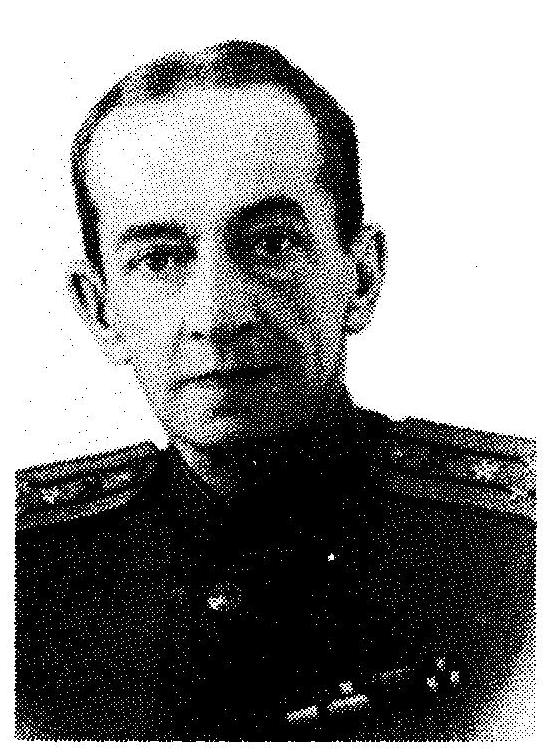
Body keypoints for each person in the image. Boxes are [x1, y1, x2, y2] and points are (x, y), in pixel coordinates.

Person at [15, 41, 535, 741]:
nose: (218, 310)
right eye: (160, 258)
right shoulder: (25, 571)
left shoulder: (513, 543)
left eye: (269, 243)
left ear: (364, 272)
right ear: (98, 305)